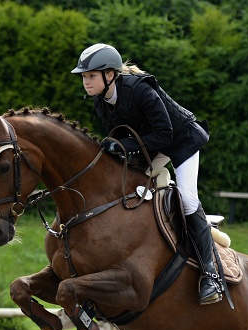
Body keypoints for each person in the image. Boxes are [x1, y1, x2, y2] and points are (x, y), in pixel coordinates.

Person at [72, 43, 223, 306]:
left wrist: (124, 147)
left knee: (187, 198)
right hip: (152, 146)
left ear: (110, 75)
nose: (86, 82)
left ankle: (210, 274)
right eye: (84, 76)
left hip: (182, 140)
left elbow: (165, 133)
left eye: (91, 76)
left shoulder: (139, 89)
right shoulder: (101, 101)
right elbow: (125, 135)